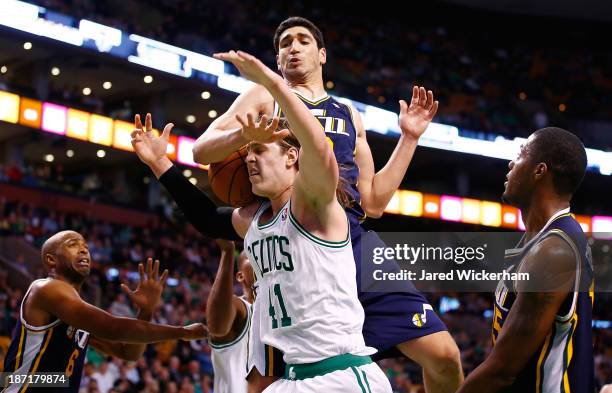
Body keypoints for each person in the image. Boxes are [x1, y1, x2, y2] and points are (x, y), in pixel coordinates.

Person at [192, 16, 462, 393]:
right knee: (277, 379)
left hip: (350, 237)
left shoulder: (349, 114)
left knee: (444, 355)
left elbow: (374, 201)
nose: (293, 47)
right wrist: (245, 134)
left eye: (302, 41)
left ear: (321, 55)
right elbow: (201, 149)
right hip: (295, 238)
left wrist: (409, 138)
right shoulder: (264, 97)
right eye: (285, 43)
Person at [132, 50, 392, 392]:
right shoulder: (255, 219)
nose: (249, 160)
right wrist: (159, 163)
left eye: (259, 151)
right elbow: (208, 219)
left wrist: (271, 82)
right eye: (247, 153)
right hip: (294, 378)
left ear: (291, 157)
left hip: (341, 376)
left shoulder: (317, 203)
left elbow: (317, 146)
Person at [458, 127, 594, 393]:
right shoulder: (539, 242)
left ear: (539, 170)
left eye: (520, 155)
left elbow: (502, 371)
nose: (511, 163)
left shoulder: (554, 251)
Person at [1, 230, 207, 392]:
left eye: (86, 247)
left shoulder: (77, 314)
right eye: (73, 245)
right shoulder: (46, 288)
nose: (83, 250)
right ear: (50, 260)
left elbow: (128, 352)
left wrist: (146, 311)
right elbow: (115, 328)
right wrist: (183, 332)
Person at [208, 240, 255, 393]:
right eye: (251, 255)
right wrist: (227, 252)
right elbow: (217, 327)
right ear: (240, 276)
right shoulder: (239, 307)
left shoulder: (279, 311)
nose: (259, 257)